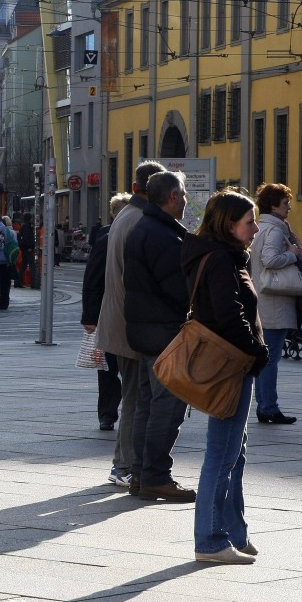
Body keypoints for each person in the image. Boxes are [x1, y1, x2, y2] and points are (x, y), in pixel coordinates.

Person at [182, 190, 270, 565]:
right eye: (249, 221)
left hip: (233, 365)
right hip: (231, 366)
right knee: (222, 454)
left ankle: (234, 531)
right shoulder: (221, 260)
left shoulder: (223, 255)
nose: (255, 228)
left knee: (235, 451)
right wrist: (256, 350)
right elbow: (228, 314)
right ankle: (211, 540)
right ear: (228, 224)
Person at [124, 169, 196, 503]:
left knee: (147, 406)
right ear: (171, 197)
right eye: (182, 194)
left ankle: (140, 473)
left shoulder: (144, 227)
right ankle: (155, 475)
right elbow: (179, 290)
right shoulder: (162, 235)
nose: (184, 200)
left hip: (144, 331)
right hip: (164, 332)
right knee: (166, 407)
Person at [96, 162, 167, 490]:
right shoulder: (139, 221)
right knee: (137, 399)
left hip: (120, 322)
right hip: (131, 325)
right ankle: (124, 465)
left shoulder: (126, 216)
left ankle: (121, 463)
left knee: (134, 396)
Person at [250, 183, 302, 425]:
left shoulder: (260, 228)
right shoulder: (275, 231)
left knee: (264, 358)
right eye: (285, 203)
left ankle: (264, 405)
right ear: (273, 205)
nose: (289, 207)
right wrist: (292, 253)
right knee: (270, 358)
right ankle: (269, 407)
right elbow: (270, 259)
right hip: (274, 302)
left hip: (263, 301)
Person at [81, 193, 130, 437]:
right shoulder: (106, 238)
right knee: (109, 367)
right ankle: (108, 414)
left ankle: (115, 415)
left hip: (122, 314)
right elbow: (92, 279)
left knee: (116, 369)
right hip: (111, 313)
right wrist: (90, 317)